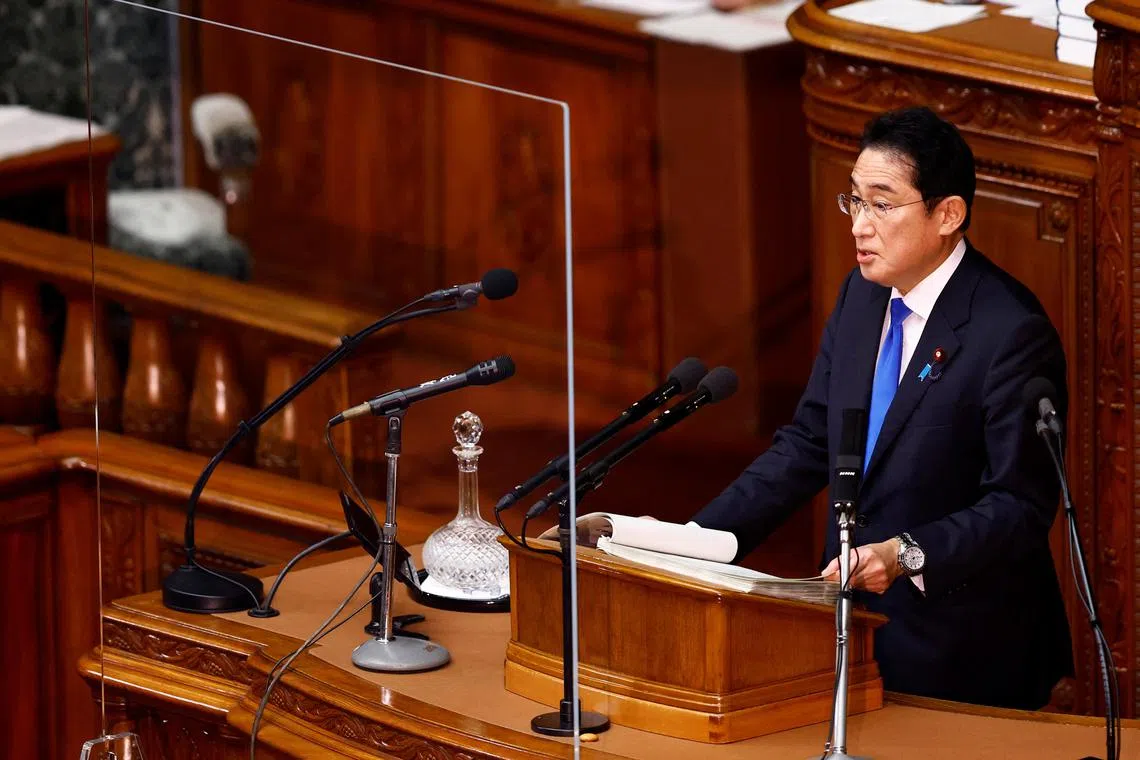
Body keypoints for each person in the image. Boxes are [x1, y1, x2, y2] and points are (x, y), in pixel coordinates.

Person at [691, 106, 1072, 710]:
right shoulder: (862, 296)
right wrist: (699, 542)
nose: (859, 227)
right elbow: (810, 441)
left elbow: (1019, 507)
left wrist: (904, 553)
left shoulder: (1010, 332)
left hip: (964, 651)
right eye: (854, 202)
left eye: (881, 204)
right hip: (850, 628)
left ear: (947, 214)